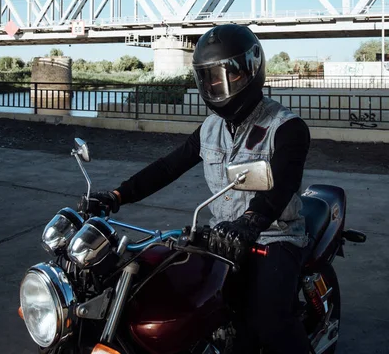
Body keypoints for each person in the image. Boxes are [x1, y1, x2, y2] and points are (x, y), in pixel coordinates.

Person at [87, 24, 310, 354]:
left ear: (250, 70)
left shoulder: (286, 127)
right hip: (222, 237)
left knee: (268, 320)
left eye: (226, 76)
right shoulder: (210, 129)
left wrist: (250, 222)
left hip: (274, 236)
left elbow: (281, 187)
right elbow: (167, 167)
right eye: (208, 78)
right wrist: (118, 196)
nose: (216, 86)